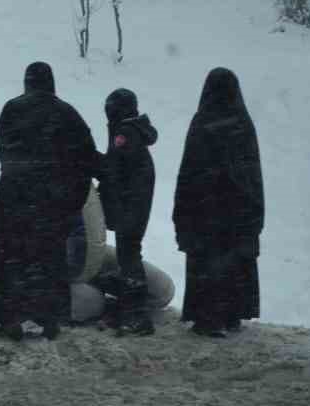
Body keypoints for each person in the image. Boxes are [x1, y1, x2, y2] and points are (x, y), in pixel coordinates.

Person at [0, 62, 99, 341]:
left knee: (12, 260)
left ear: (27, 82)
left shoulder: (12, 109)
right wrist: (69, 202)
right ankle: (48, 319)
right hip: (50, 205)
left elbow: (3, 151)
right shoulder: (67, 114)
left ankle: (9, 317)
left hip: (14, 201)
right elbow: (85, 161)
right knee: (48, 261)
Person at [173, 67, 264, 338]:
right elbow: (252, 174)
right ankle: (232, 313)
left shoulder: (203, 122)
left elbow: (188, 170)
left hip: (206, 210)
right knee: (232, 262)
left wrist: (183, 212)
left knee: (207, 263)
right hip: (236, 211)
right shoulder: (243, 124)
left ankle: (209, 318)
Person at [100, 88, 158, 334]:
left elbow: (114, 170)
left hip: (130, 206)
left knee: (129, 254)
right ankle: (130, 310)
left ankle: (136, 315)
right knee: (129, 253)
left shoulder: (124, 134)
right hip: (135, 204)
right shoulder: (133, 131)